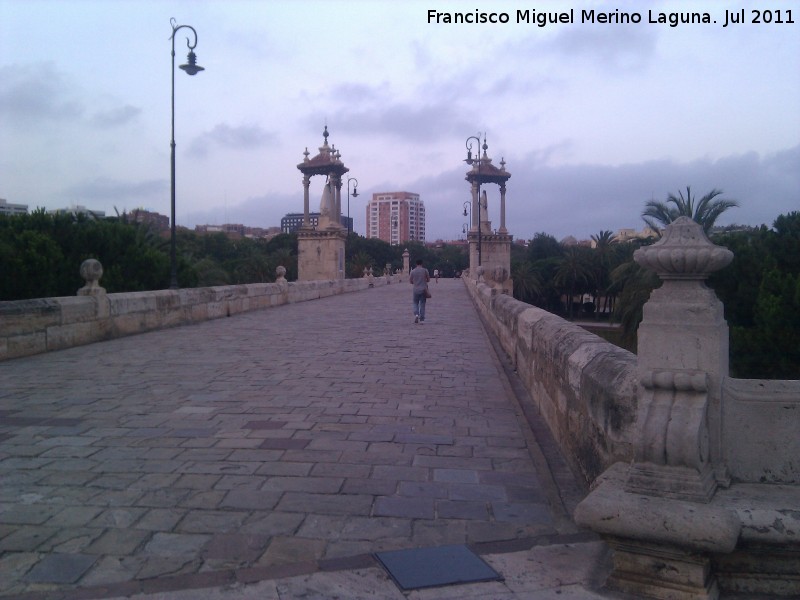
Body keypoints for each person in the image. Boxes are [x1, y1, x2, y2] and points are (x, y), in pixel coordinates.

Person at [409, 258, 430, 324]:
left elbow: (410, 281)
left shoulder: (413, 271)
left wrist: (415, 282)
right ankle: (422, 320)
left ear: (416, 264)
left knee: (415, 303)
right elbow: (428, 279)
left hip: (415, 289)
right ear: (422, 263)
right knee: (422, 304)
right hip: (423, 290)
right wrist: (423, 281)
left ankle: (416, 314)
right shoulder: (425, 270)